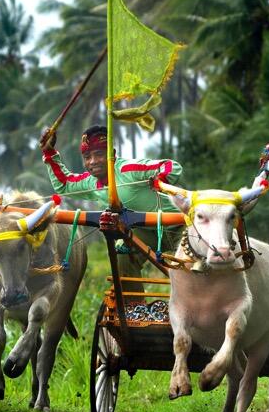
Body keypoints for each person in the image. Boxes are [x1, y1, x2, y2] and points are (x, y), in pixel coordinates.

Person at [39, 125, 183, 297]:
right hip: (145, 232)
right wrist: (49, 152)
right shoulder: (90, 182)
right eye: (87, 157)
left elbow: (170, 166)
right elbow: (64, 184)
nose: (92, 161)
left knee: (196, 259)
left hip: (177, 226)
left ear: (112, 155)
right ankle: (134, 308)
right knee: (121, 251)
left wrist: (160, 180)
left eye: (99, 154)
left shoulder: (128, 169)